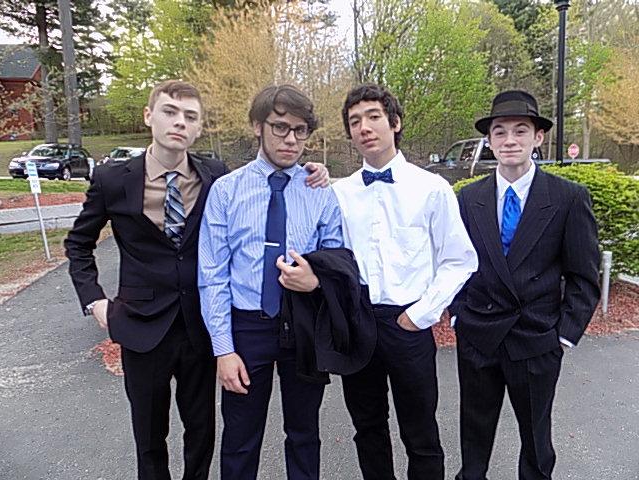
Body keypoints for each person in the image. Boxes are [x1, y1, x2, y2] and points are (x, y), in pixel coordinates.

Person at [64, 80, 329, 480]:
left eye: (190, 116)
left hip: (198, 326)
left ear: (200, 127)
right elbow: (78, 244)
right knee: (150, 437)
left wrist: (313, 169)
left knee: (202, 433)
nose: (179, 123)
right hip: (141, 323)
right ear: (148, 116)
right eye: (170, 112)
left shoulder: (214, 176)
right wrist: (95, 301)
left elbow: (272, 178)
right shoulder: (113, 179)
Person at [450, 90, 601, 480]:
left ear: (538, 137)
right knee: (473, 439)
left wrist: (562, 337)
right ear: (490, 140)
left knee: (536, 443)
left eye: (520, 130)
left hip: (536, 340)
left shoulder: (568, 198)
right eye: (500, 132)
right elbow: (454, 264)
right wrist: (458, 317)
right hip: (479, 336)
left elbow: (584, 277)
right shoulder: (469, 198)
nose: (510, 140)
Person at [332, 83, 478, 480]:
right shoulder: (339, 194)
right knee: (367, 428)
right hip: (358, 323)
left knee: (420, 430)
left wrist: (421, 314)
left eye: (373, 117)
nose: (364, 128)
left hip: (408, 323)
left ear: (394, 123)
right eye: (355, 121)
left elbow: (459, 259)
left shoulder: (431, 189)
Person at [198, 84, 342, 480]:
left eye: (300, 130)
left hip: (303, 323)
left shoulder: (319, 191)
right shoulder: (226, 191)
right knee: (241, 438)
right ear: (257, 127)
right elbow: (212, 274)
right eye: (280, 127)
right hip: (247, 327)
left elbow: (338, 258)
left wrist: (316, 279)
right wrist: (223, 349)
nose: (291, 139)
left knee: (304, 434)